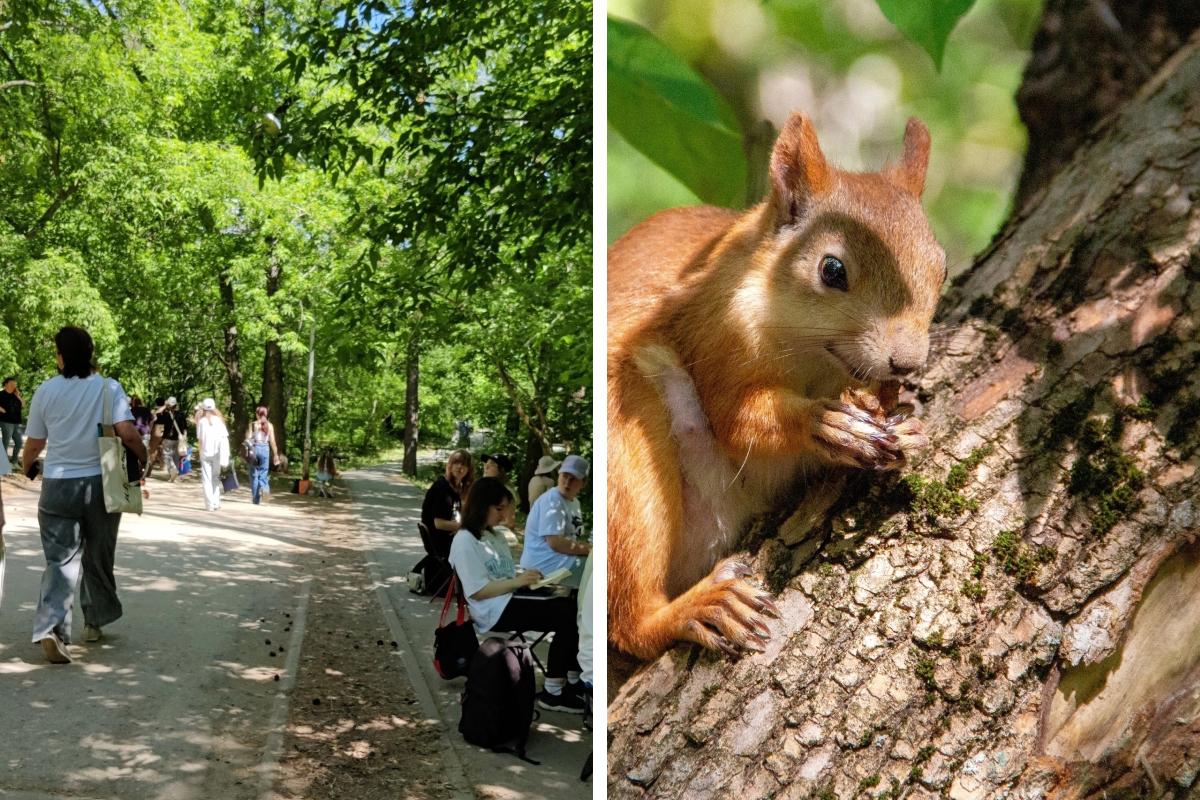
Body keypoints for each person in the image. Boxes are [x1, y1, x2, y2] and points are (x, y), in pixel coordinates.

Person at [21, 326, 147, 663]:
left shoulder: (45, 391)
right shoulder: (109, 388)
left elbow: (34, 444)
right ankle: (94, 621)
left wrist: (27, 465)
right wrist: (144, 459)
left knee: (60, 561)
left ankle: (53, 628)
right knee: (99, 553)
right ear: (90, 352)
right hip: (101, 483)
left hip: (58, 485)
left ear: (60, 356)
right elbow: (127, 433)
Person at [448, 477, 584, 713]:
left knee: (572, 602)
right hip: (493, 610)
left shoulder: (495, 536)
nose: (502, 516)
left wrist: (529, 578)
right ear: (481, 505)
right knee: (567, 614)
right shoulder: (464, 541)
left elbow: (507, 575)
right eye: (498, 509)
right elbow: (478, 591)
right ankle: (554, 691)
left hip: (511, 597)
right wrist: (517, 582)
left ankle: (572, 680)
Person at [521, 454, 591, 587]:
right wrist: (591, 550)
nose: (567, 482)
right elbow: (556, 543)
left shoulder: (574, 502)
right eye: (565, 475)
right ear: (558, 475)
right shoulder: (552, 499)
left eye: (573, 478)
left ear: (584, 482)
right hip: (544, 565)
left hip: (559, 562)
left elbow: (571, 539)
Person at [420, 449, 473, 555]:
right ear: (450, 465)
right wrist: (467, 527)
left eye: (464, 465)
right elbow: (439, 523)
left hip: (448, 537)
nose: (459, 467)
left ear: (468, 470)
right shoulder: (442, 488)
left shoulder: (457, 488)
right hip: (439, 541)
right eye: (456, 463)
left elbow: (461, 514)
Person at [196, 399, 229, 511]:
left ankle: (209, 505)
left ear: (204, 409)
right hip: (217, 454)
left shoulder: (201, 422)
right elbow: (225, 438)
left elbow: (200, 440)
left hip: (205, 453)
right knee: (215, 478)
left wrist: (199, 452)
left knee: (206, 479)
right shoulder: (220, 421)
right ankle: (216, 502)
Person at [246, 406, 280, 504]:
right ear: (266, 414)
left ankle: (256, 499)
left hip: (255, 449)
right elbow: (272, 441)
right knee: (263, 474)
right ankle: (265, 493)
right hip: (265, 449)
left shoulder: (253, 425)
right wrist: (276, 454)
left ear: (257, 414)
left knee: (254, 475)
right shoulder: (270, 426)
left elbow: (249, 439)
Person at [151, 397, 187, 481]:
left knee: (167, 456)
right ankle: (175, 474)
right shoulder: (181, 414)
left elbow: (155, 415)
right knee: (176, 457)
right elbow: (185, 428)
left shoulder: (166, 415)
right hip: (178, 439)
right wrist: (184, 438)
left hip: (168, 438)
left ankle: (172, 470)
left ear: (169, 405)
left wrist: (164, 406)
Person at [0, 376, 24, 467]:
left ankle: (14, 462)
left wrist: (18, 396)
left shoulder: (16, 395)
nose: (14, 385)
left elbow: (23, 405)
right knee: (5, 442)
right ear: (6, 384)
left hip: (16, 422)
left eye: (15, 384)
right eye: (12, 384)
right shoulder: (1, 394)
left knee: (19, 442)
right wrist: (1, 409)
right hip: (6, 421)